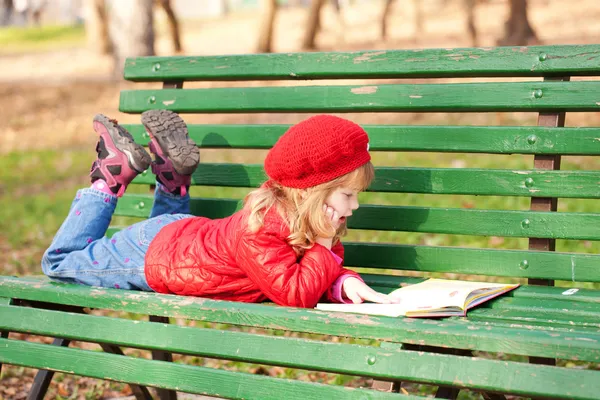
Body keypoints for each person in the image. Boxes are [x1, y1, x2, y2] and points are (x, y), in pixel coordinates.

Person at [42, 110, 397, 308]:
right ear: (311, 193)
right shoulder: (262, 230)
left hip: (178, 240)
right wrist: (322, 245)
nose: (355, 205)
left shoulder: (304, 214)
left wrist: (345, 283)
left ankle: (172, 180)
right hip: (153, 253)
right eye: (348, 195)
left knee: (168, 245)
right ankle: (108, 178)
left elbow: (313, 273)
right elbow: (294, 293)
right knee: (57, 263)